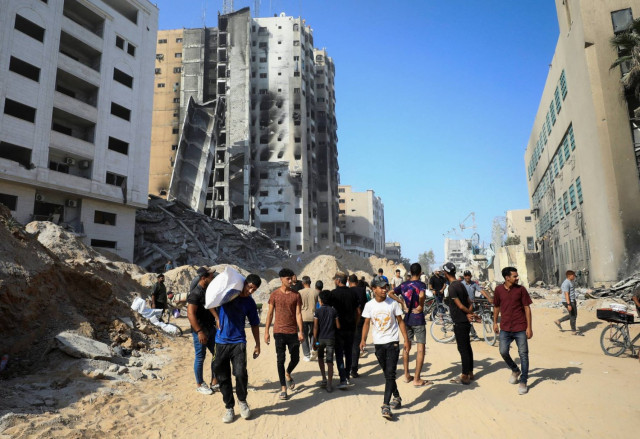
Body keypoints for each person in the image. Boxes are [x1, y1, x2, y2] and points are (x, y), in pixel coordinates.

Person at [212, 274, 262, 423]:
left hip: (239, 342)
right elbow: (209, 302)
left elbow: (254, 324)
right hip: (220, 342)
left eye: (254, 289)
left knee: (240, 374)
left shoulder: (250, 303)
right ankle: (229, 407)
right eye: (250, 287)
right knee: (222, 376)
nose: (251, 291)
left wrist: (257, 344)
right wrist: (215, 316)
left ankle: (242, 401)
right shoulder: (227, 295)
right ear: (245, 283)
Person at [359, 276, 410, 420]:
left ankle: (385, 405)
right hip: (378, 344)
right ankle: (397, 396)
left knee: (390, 374)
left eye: (386, 287)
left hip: (393, 342)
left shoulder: (393, 304)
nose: (384, 289)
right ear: (373, 289)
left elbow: (400, 322)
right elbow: (367, 323)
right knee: (387, 373)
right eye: (381, 287)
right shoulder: (369, 305)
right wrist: (363, 339)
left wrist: (406, 340)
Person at [264, 268, 304, 400]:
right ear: (281, 279)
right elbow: (270, 314)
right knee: (280, 359)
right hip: (279, 332)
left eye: (291, 278)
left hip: (292, 332)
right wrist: (266, 332)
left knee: (296, 358)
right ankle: (283, 388)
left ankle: (288, 373)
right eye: (288, 278)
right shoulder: (274, 294)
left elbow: (298, 314)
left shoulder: (296, 295)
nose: (290, 281)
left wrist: (301, 331)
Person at [493, 266, 533, 395]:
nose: (517, 278)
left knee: (523, 355)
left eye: (517, 276)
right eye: (514, 276)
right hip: (505, 327)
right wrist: (494, 323)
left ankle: (523, 381)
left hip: (520, 327)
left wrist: (529, 327)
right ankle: (515, 370)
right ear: (507, 278)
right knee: (503, 351)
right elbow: (496, 307)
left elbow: (527, 308)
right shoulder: (498, 290)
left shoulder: (521, 290)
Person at [389, 262, 430, 387]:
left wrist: (402, 302)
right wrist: (421, 306)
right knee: (420, 348)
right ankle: (417, 378)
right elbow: (422, 294)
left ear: (410, 272)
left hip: (407, 318)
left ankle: (407, 375)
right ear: (420, 272)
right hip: (418, 318)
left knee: (407, 346)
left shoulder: (403, 285)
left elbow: (390, 293)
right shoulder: (421, 284)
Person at [443, 262, 477, 385]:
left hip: (460, 321)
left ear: (446, 274)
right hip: (465, 321)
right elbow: (470, 301)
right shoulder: (461, 284)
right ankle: (470, 372)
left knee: (462, 348)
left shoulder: (452, 287)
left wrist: (469, 313)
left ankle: (465, 375)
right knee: (467, 347)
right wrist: (470, 312)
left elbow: (461, 305)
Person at [187, 267, 218, 395]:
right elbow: (190, 314)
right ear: (203, 278)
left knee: (217, 353)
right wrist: (199, 331)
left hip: (211, 328)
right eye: (211, 276)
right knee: (200, 357)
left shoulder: (207, 291)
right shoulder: (195, 294)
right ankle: (200, 384)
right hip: (200, 331)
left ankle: (215, 381)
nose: (213, 277)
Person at [330, 271, 361, 389]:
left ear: (338, 280)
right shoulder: (353, 293)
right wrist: (356, 323)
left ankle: (342, 378)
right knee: (348, 352)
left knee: (338, 353)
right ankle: (347, 376)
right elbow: (358, 312)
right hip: (350, 327)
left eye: (335, 280)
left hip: (338, 329)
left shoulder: (333, 294)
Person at [313, 290, 340, 392]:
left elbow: (315, 327)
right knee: (329, 362)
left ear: (321, 301)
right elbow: (338, 326)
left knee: (320, 358)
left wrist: (314, 341)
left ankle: (323, 378)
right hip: (331, 339)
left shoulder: (318, 311)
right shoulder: (333, 311)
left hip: (320, 339)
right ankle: (329, 384)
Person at [348, 273, 368, 378]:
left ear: (349, 281)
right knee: (356, 344)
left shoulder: (347, 291)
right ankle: (354, 369)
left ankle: (347, 368)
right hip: (359, 320)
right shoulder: (361, 291)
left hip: (348, 320)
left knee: (348, 345)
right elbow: (365, 306)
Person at [554, 270, 582, 335]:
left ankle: (559, 321)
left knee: (573, 315)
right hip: (569, 301)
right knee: (573, 316)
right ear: (569, 276)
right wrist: (569, 304)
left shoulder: (570, 282)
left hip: (571, 300)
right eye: (573, 275)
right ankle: (573, 330)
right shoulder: (566, 283)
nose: (574, 277)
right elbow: (566, 294)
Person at [299, 276, 319, 361]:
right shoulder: (316, 292)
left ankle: (306, 355)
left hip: (303, 317)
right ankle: (312, 350)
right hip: (313, 316)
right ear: (310, 282)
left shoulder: (299, 292)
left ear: (303, 283)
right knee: (313, 335)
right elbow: (318, 305)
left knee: (304, 335)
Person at [462, 270, 482, 339]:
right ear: (464, 276)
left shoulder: (474, 284)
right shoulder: (461, 284)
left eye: (468, 275)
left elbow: (481, 291)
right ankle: (473, 335)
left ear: (471, 276)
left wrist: (489, 298)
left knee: (469, 320)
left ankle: (472, 334)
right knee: (467, 320)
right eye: (466, 275)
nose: (467, 277)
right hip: (463, 305)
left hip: (471, 305)